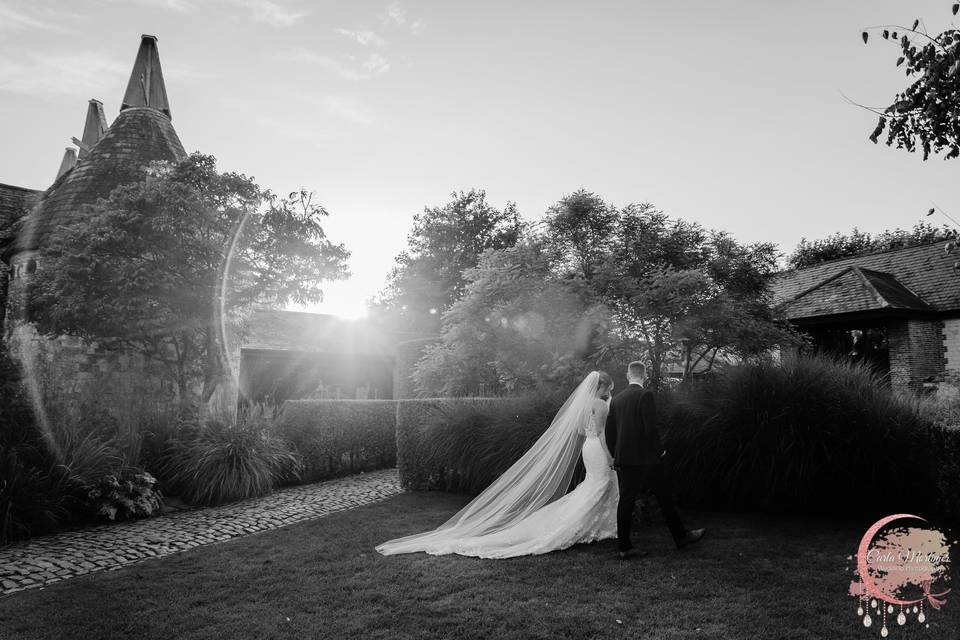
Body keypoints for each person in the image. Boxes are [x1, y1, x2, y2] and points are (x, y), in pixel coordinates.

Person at [376, 371, 619, 558]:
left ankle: (596, 525)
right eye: (608, 387)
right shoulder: (598, 404)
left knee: (594, 485)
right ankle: (586, 526)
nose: (609, 390)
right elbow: (602, 433)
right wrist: (610, 456)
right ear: (603, 386)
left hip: (589, 448)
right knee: (600, 484)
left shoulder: (584, 404)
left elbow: (580, 429)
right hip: (599, 449)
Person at [605, 361, 705, 559]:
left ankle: (624, 547)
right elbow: (650, 429)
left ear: (628, 375)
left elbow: (610, 432)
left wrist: (616, 453)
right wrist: (659, 451)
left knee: (625, 502)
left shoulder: (616, 399)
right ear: (644, 375)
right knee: (664, 497)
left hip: (625, 459)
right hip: (647, 459)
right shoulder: (645, 395)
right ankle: (681, 537)